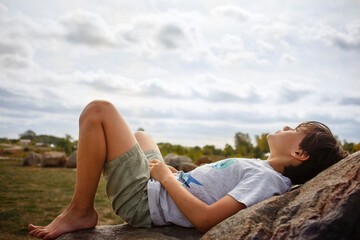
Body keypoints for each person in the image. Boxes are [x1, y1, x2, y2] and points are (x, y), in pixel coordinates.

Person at [28, 100, 348, 239]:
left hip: (146, 200)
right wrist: (172, 174)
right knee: (141, 135)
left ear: (299, 152)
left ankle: (80, 210)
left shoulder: (267, 180)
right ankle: (88, 203)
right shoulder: (263, 169)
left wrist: (167, 179)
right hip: (160, 186)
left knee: (99, 111)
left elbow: (206, 220)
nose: (288, 125)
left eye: (298, 129)